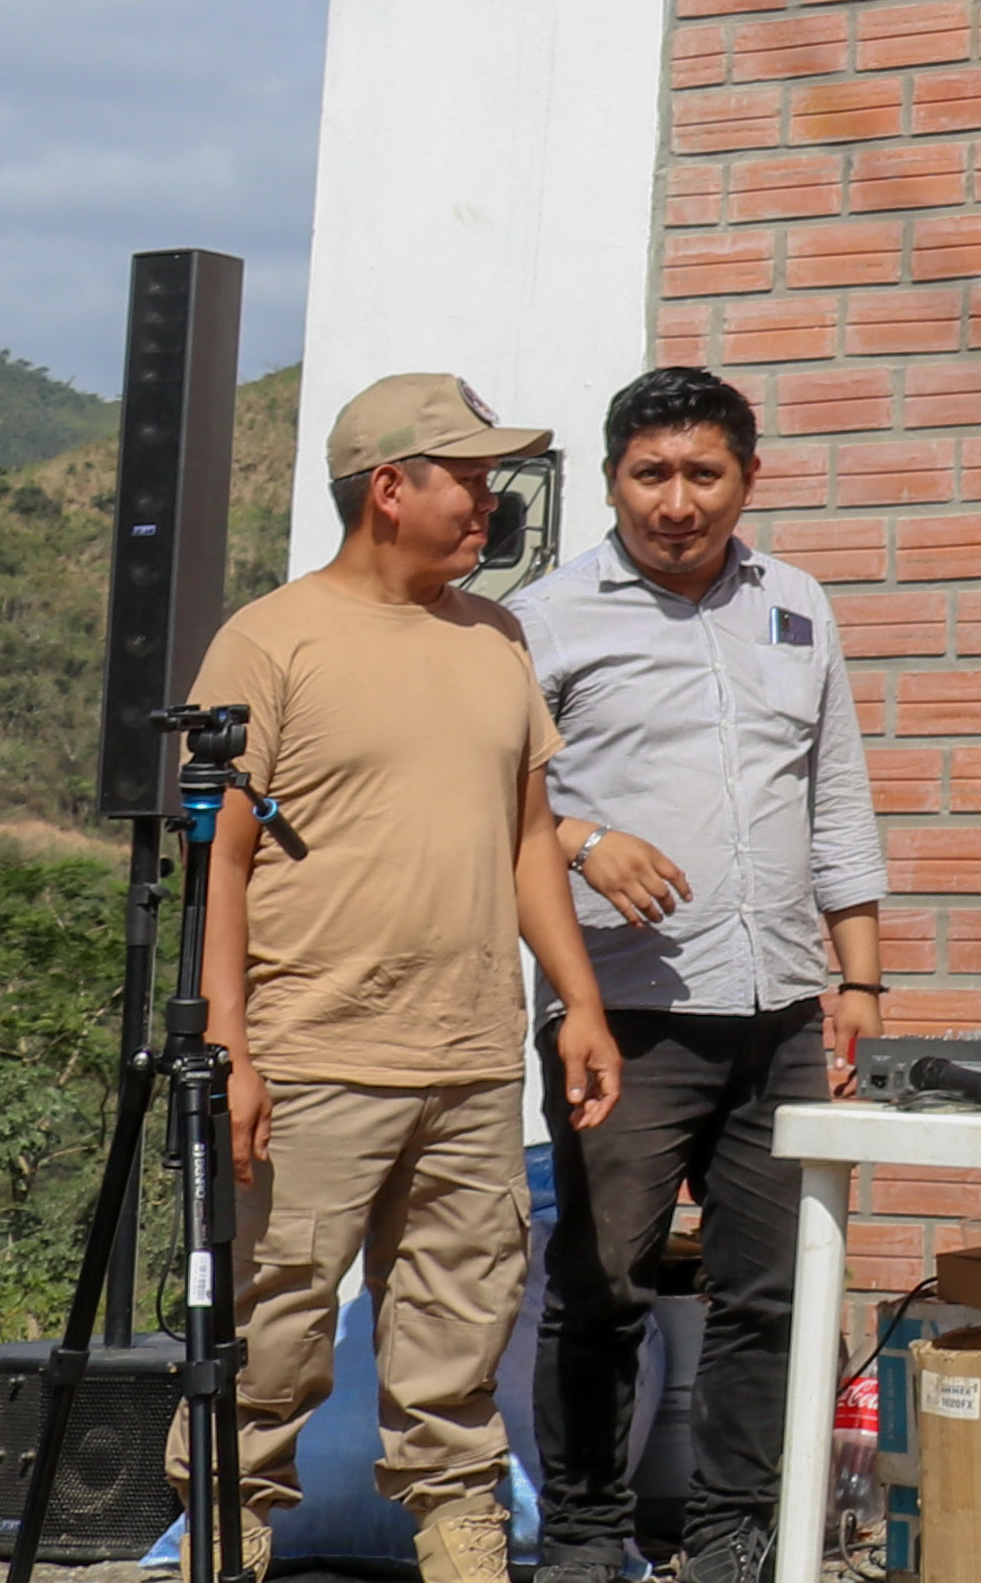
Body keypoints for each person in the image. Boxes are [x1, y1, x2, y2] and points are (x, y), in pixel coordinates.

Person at [198, 375, 629, 1583]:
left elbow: (526, 836)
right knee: (272, 1329)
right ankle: (224, 1547)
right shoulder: (270, 638)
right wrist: (230, 1044)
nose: (491, 504)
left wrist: (580, 1002)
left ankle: (466, 1553)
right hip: (316, 1054)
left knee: (456, 1337)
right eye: (471, 480)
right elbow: (218, 861)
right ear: (391, 489)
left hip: (472, 1058)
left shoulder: (496, 638)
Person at [517, 367, 887, 1583]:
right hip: (618, 1013)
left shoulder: (797, 604)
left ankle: (733, 1539)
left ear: (747, 479)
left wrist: (862, 980)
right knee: (604, 1283)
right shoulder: (547, 617)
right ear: (617, 475)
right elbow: (490, 802)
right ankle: (582, 1534)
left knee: (772, 1292)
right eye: (650, 474)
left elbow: (835, 792)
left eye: (703, 475)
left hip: (779, 1005)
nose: (676, 502)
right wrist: (582, 841)